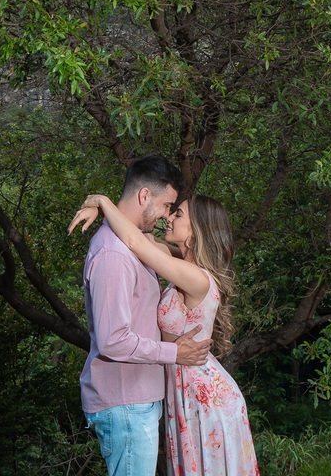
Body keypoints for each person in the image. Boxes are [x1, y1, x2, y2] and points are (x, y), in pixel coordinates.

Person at [70, 190, 260, 476]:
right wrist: (105, 217)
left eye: (179, 214)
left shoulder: (196, 277)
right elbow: (136, 235)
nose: (170, 217)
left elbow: (134, 241)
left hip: (202, 393)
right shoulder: (182, 263)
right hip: (181, 389)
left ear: (195, 233)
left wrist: (102, 201)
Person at [75, 154, 212, 476]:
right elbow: (113, 342)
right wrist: (175, 352)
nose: (167, 216)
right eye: (167, 206)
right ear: (144, 196)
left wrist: (102, 203)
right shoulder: (114, 255)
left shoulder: (134, 245)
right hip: (125, 403)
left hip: (137, 399)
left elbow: (188, 249)